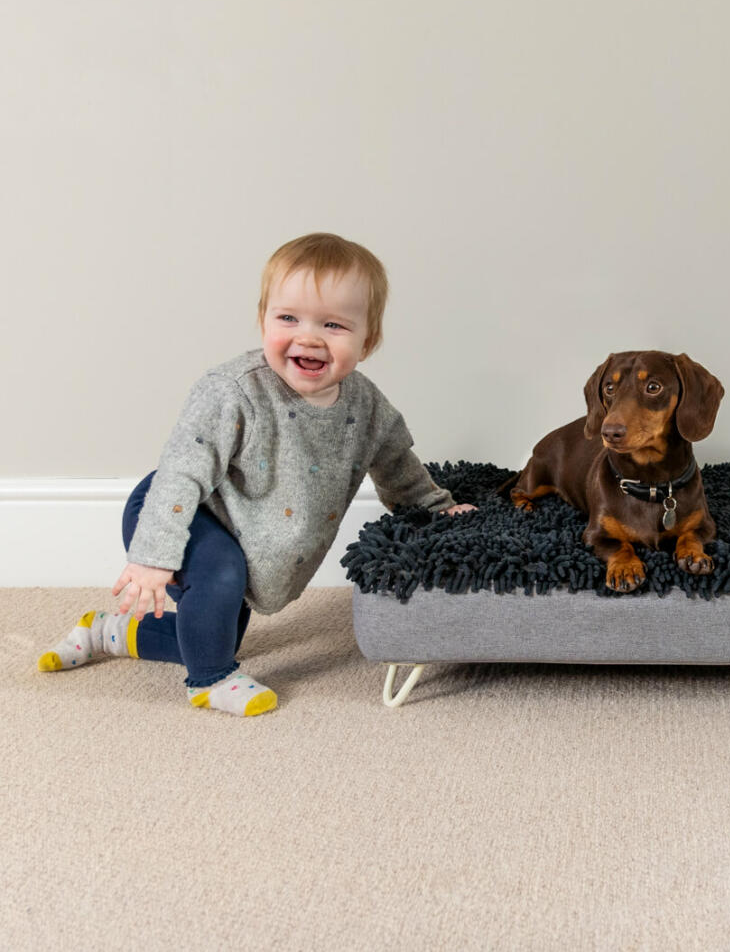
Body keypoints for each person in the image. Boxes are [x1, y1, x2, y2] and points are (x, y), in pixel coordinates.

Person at [37, 233, 474, 716]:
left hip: (251, 529)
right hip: (183, 509)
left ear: (367, 342)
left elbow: (398, 466)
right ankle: (209, 682)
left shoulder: (367, 408)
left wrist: (435, 508)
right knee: (219, 583)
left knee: (212, 631)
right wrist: (154, 556)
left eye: (332, 324)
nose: (308, 336)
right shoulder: (234, 392)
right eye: (288, 318)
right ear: (263, 319)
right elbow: (182, 472)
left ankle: (107, 631)